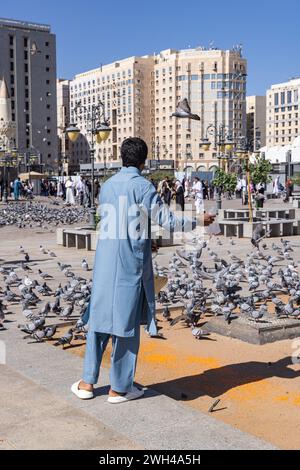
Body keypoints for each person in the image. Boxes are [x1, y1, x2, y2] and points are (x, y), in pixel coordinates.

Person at [71, 137, 214, 404]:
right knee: (125, 324)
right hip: (129, 263)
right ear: (143, 161)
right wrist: (198, 219)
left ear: (122, 157)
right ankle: (119, 388)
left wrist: (145, 234)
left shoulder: (107, 185)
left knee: (99, 320)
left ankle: (87, 383)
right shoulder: (143, 186)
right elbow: (168, 220)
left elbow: (121, 220)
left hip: (104, 261)